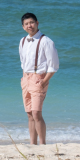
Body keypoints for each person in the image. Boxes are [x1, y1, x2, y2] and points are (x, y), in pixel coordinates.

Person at [18, 12, 58, 145]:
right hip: (26, 79)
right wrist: (24, 78)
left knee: (36, 113)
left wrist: (44, 81)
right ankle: (32, 143)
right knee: (29, 114)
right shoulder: (23, 41)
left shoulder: (46, 41)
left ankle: (43, 144)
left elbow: (53, 66)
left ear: (37, 23)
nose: (30, 25)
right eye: (26, 24)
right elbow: (23, 62)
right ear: (23, 26)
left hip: (39, 79)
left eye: (32, 23)